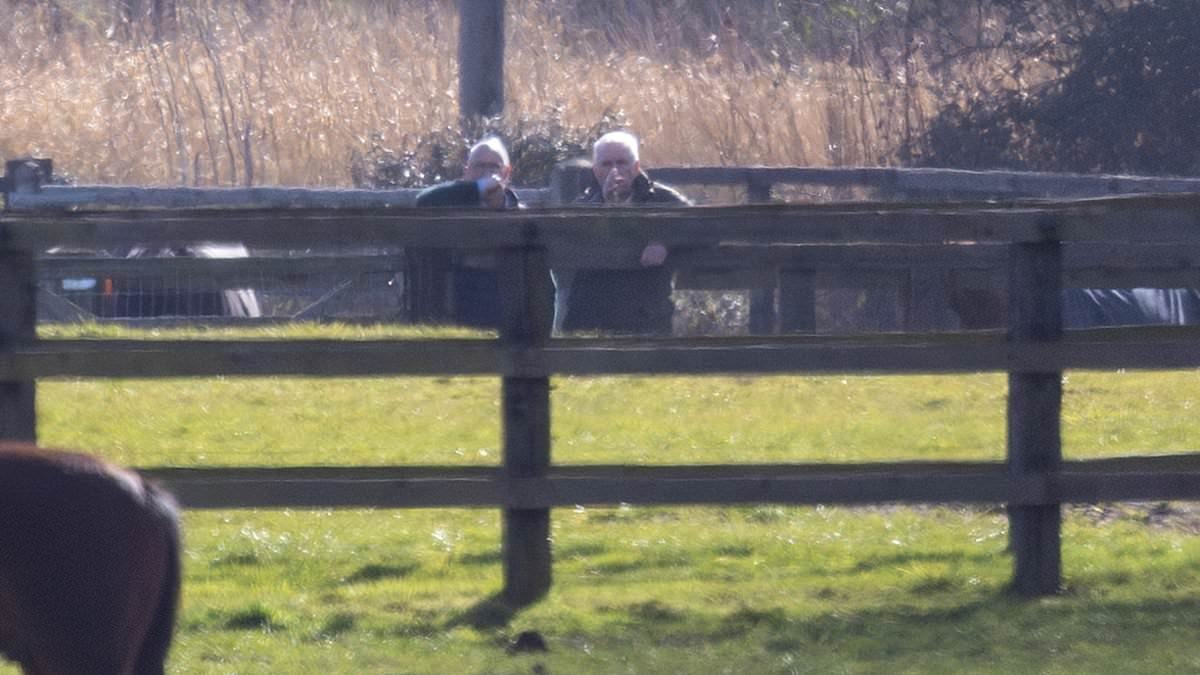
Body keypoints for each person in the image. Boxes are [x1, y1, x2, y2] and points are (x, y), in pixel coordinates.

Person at [554, 130, 692, 334]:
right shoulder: (583, 206)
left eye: (622, 163)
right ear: (595, 170)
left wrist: (664, 241)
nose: (615, 170)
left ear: (636, 167)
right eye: (607, 164)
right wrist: (609, 204)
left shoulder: (662, 199)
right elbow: (563, 240)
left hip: (646, 316)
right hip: (591, 318)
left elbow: (703, 225)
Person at [415, 137, 521, 327]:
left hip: (506, 304)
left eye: (494, 167)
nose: (486, 173)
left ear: (506, 172)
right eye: (478, 166)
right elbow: (423, 201)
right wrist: (477, 189)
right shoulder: (453, 202)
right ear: (467, 171)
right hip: (459, 301)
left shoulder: (517, 209)